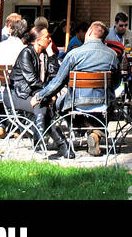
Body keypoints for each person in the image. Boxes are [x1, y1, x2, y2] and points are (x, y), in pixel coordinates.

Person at [32, 21, 122, 157]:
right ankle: (96, 132)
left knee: (57, 104)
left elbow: (58, 82)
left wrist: (40, 96)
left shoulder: (74, 54)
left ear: (89, 33)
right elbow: (116, 82)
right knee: (109, 105)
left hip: (75, 103)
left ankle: (84, 129)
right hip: (103, 103)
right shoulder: (112, 55)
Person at [7, 24, 60, 147]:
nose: (50, 39)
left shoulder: (44, 55)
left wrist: (51, 55)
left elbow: (55, 75)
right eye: (47, 37)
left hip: (35, 95)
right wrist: (48, 93)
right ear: (38, 40)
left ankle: (43, 141)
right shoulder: (26, 53)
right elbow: (32, 80)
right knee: (41, 106)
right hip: (18, 94)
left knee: (42, 105)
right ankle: (54, 142)